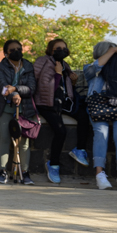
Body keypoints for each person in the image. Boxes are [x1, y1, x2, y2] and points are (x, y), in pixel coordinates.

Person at [0, 38, 37, 184]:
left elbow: (31, 88)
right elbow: (2, 86)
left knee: (24, 143)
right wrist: (13, 94)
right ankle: (3, 172)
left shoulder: (28, 66)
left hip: (25, 109)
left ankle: (25, 173)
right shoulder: (0, 67)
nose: (17, 52)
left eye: (19, 49)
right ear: (6, 53)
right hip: (5, 108)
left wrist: (16, 89)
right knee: (4, 139)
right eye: (13, 50)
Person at [34, 38, 79, 184]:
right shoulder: (44, 61)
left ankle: (81, 150)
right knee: (61, 131)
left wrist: (72, 80)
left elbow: (64, 88)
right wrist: (58, 74)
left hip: (62, 103)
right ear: (51, 50)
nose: (62, 51)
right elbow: (42, 84)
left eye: (64, 48)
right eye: (58, 48)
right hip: (46, 103)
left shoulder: (65, 65)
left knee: (84, 116)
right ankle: (53, 165)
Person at [85, 42, 117, 190]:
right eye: (111, 52)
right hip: (98, 105)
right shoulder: (90, 67)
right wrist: (113, 50)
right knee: (101, 134)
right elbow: (96, 67)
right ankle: (100, 174)